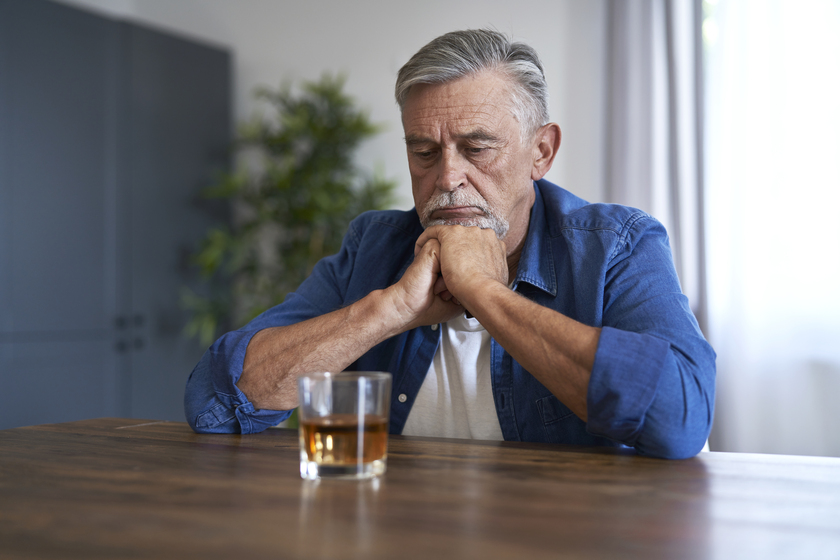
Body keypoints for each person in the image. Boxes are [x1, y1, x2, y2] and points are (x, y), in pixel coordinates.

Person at [184, 29, 715, 459]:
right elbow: (213, 402)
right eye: (424, 152)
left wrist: (484, 292)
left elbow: (681, 417)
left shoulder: (617, 246)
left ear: (541, 152)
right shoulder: (375, 245)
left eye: (476, 148)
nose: (447, 178)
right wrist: (391, 309)